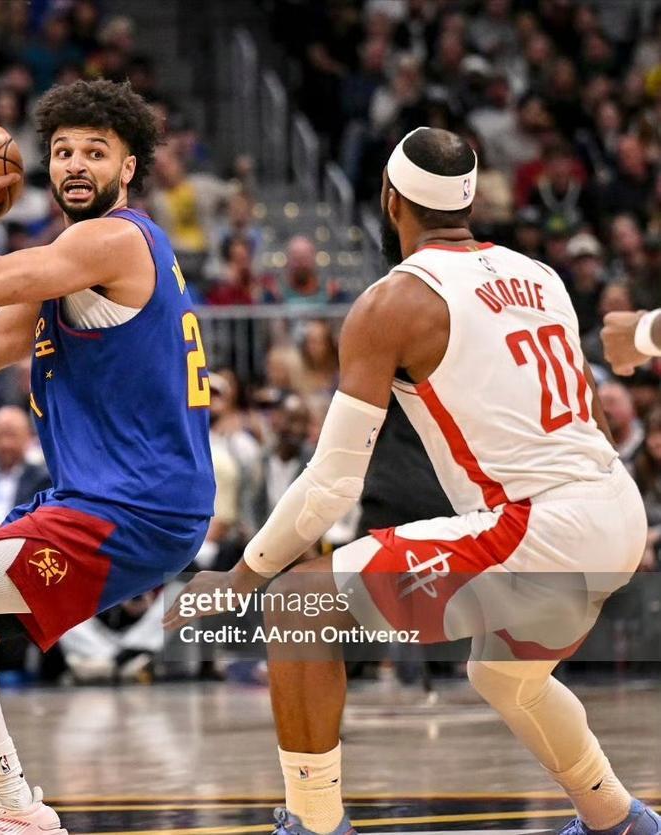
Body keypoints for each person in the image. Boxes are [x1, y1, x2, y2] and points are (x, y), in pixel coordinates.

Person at [167, 127, 660, 835]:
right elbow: (588, 417)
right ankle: (617, 818)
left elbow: (332, 484)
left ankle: (313, 823)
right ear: (467, 202)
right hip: (614, 506)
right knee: (505, 675)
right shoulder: (541, 275)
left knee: (298, 603)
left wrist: (239, 578)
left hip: (544, 524)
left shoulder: (393, 302)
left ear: (389, 197)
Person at [0, 79, 214, 835]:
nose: (75, 164)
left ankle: (15, 806)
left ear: (128, 168)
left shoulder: (112, 240)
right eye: (64, 151)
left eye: (95, 153)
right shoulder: (64, 269)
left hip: (133, 504)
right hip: (114, 502)